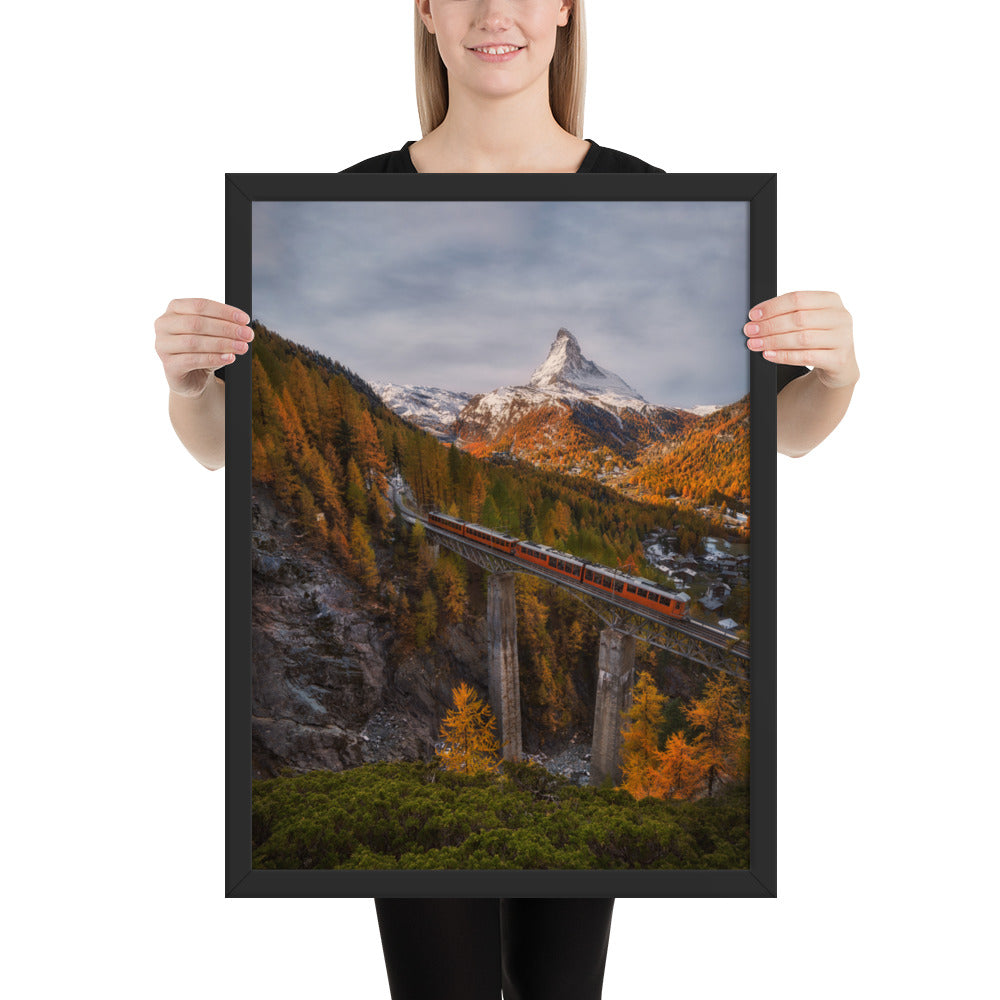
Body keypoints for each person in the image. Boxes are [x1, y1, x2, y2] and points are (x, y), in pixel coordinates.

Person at [154, 2, 859, 998]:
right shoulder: (352, 194)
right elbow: (223, 455)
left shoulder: (642, 193)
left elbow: (773, 439)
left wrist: (835, 377)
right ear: (427, 13)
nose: (497, 12)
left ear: (566, 10)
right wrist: (190, 388)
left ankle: (529, 776)